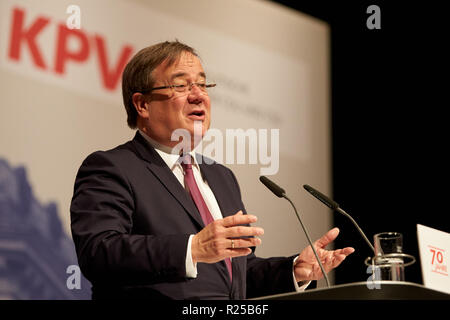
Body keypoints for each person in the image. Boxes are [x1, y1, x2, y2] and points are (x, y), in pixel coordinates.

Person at [70, 41, 354, 299]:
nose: (198, 96)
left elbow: (237, 274)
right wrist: (192, 249)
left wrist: (293, 270)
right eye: (181, 86)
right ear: (142, 104)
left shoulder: (220, 177)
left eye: (203, 85)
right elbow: (98, 252)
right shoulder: (112, 168)